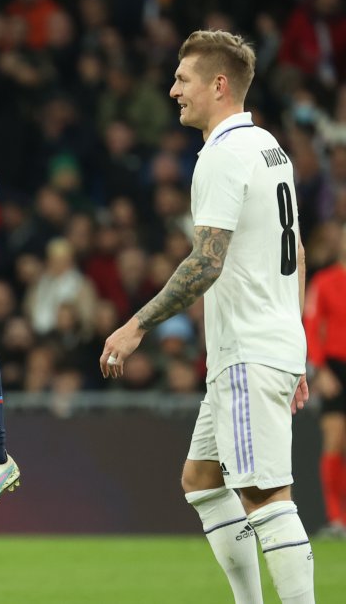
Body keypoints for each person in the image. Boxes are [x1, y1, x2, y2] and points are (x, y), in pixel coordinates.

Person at [100, 30, 315, 603]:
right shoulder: (271, 147)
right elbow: (297, 253)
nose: (173, 89)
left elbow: (207, 261)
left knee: (266, 496)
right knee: (201, 481)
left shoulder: (221, 156)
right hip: (267, 344)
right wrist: (296, 351)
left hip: (247, 349)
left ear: (219, 85)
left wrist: (136, 323)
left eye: (182, 78)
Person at [304, 227, 346, 538]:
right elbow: (311, 324)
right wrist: (320, 370)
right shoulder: (325, 281)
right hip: (337, 368)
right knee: (334, 441)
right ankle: (336, 519)